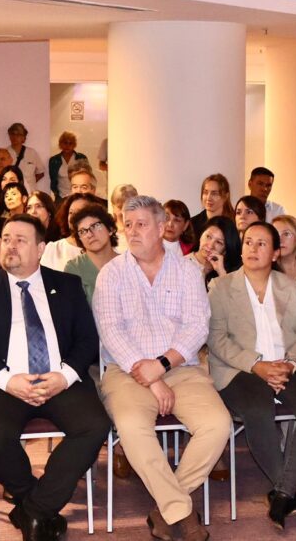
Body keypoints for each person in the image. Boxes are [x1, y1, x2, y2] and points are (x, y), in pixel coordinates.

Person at [0, 213, 109, 541]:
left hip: (59, 379)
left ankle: (34, 510)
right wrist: (8, 381)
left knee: (95, 425)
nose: (10, 246)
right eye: (6, 239)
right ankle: (37, 504)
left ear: (41, 249)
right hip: (5, 383)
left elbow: (87, 340)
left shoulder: (66, 285)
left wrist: (64, 376)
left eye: (20, 240)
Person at [93, 195, 230, 541]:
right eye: (127, 224)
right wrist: (152, 377)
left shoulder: (186, 270)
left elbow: (197, 326)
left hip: (181, 368)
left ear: (160, 227)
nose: (132, 231)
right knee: (132, 427)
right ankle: (182, 511)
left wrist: (163, 364)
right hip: (127, 371)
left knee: (217, 425)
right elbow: (111, 332)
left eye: (141, 224)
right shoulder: (111, 274)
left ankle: (165, 509)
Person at [207, 221, 296, 530]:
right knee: (259, 409)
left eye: (262, 244)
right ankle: (287, 491)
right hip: (240, 370)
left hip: (287, 366)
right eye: (248, 242)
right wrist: (256, 365)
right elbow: (217, 340)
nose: (253, 248)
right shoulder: (221, 287)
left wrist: (291, 363)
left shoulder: (289, 286)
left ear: (275, 254)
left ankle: (282, 493)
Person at [63, 204, 118, 303]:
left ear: (110, 229)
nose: (89, 234)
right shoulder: (74, 268)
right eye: (82, 231)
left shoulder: (128, 263)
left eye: (95, 226)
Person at [40, 192, 101, 271]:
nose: (73, 217)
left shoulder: (103, 247)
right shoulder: (54, 249)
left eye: (79, 212)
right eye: (71, 212)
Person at [186, 216, 241, 289]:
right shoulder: (183, 264)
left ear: (225, 251)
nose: (210, 245)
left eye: (218, 242)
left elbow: (230, 295)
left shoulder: (229, 272)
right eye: (208, 237)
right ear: (201, 235)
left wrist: (221, 272)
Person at [191, 173, 235, 238]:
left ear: (226, 196)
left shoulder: (235, 221)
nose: (208, 198)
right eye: (205, 192)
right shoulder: (192, 224)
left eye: (214, 194)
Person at [48, 131, 89, 201]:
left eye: (70, 143)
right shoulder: (54, 160)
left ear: (74, 145)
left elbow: (87, 177)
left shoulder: (81, 158)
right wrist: (56, 193)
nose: (67, 146)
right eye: (65, 143)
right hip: (61, 197)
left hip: (79, 195)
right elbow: (52, 180)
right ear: (60, 144)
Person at [6, 122, 46, 193]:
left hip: (30, 192)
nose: (15, 137)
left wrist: (29, 183)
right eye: (12, 134)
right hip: (11, 192)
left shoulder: (32, 153)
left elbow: (41, 172)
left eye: (18, 135)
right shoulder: (5, 153)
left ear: (23, 138)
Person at [109, 184, 138, 251]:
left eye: (128, 207)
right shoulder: (107, 231)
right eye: (120, 207)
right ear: (113, 206)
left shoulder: (143, 230)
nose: (123, 211)